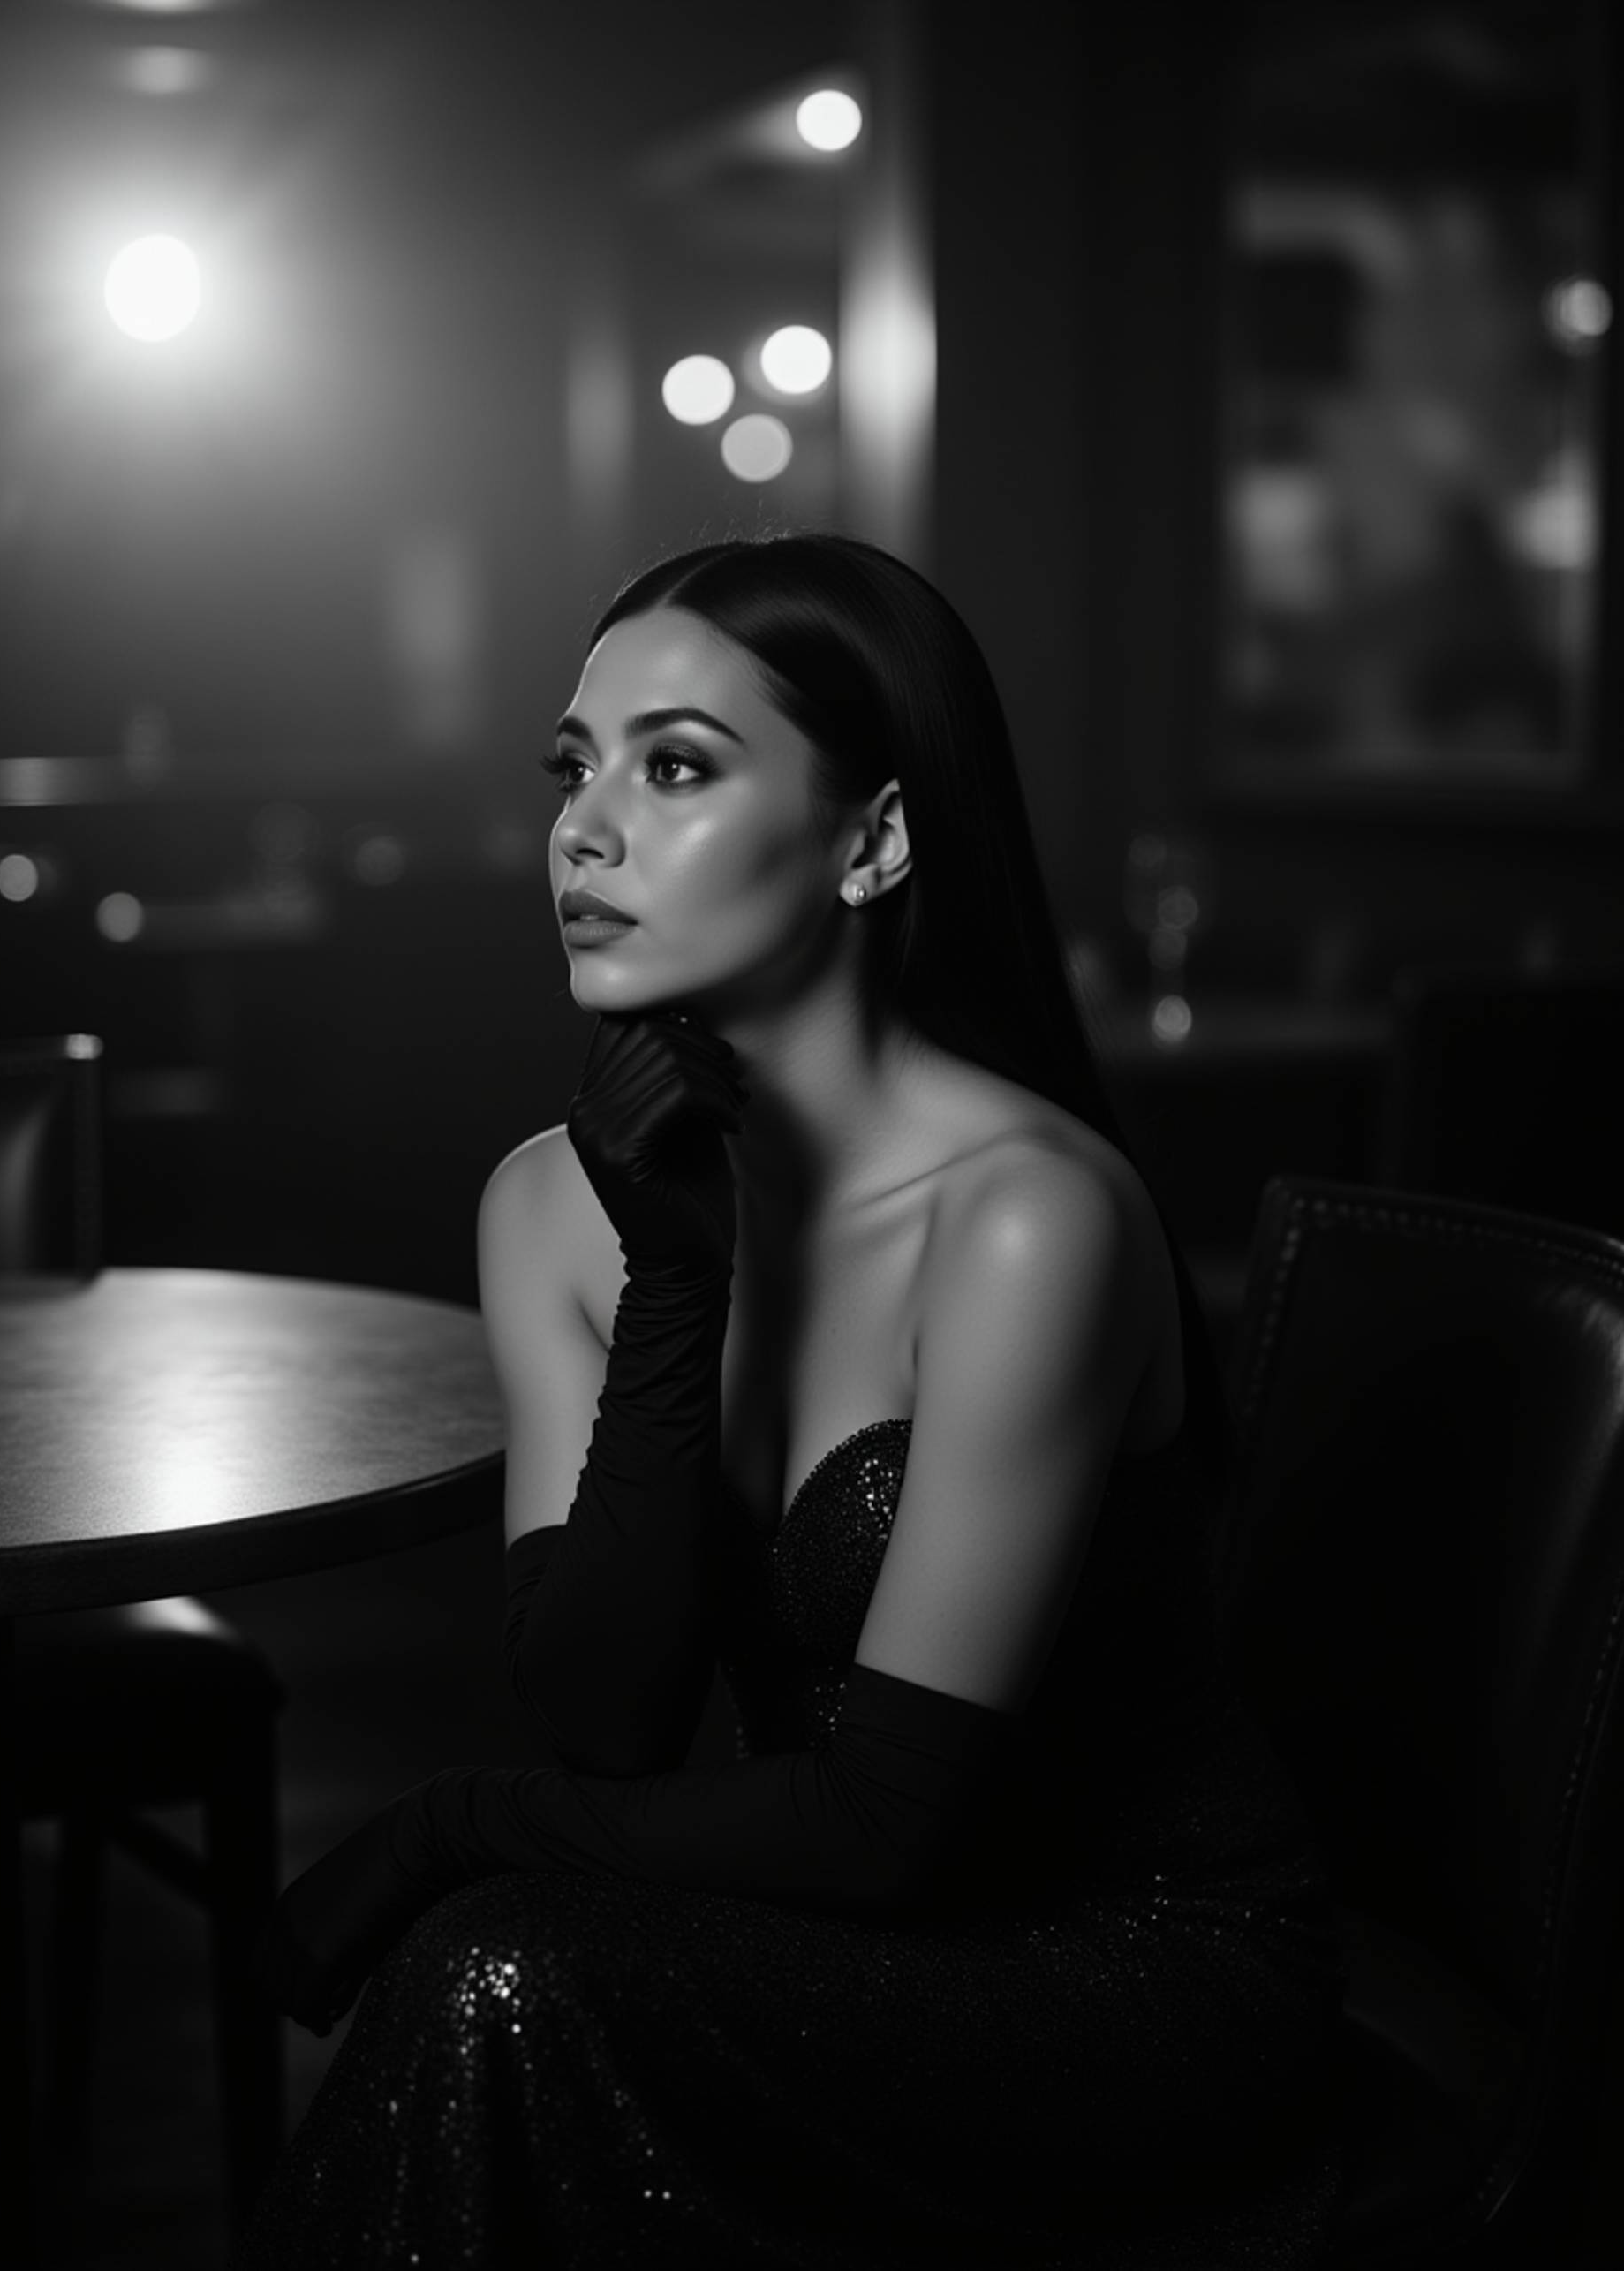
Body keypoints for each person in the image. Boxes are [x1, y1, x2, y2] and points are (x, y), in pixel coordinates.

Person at [238, 533, 1347, 2267]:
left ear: (875, 837)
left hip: (1132, 1965)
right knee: (510, 1977)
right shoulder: (551, 1203)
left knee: (499, 1965)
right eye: (572, 766)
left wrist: (442, 1826)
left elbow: (890, 1821)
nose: (585, 829)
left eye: (673, 764)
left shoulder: (1023, 1215)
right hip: (828, 1929)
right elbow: (605, 1720)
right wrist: (680, 1279)